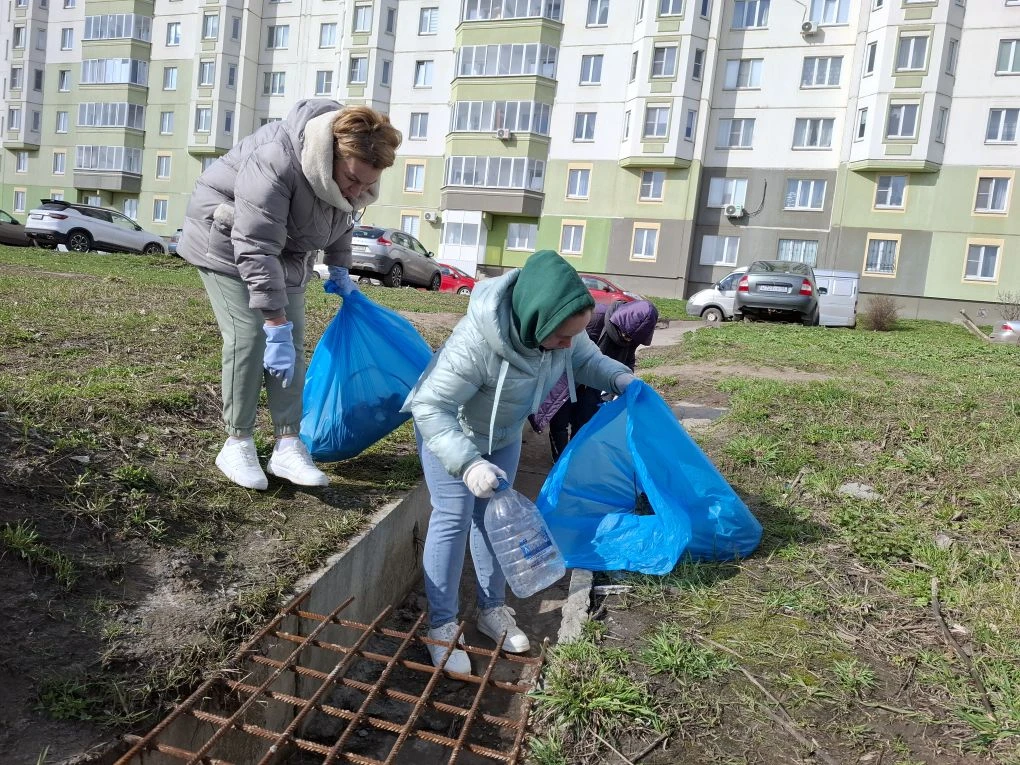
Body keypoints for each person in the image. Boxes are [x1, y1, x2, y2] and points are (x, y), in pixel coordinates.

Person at [404, 250, 635, 674]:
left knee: (497, 519)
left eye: (573, 335)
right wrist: (469, 465)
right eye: (562, 336)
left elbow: (586, 360)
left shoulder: (559, 332)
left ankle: (492, 609)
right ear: (535, 323)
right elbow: (430, 406)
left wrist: (620, 378)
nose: (569, 343)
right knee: (454, 518)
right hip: (451, 431)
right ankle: (441, 626)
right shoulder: (474, 343)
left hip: (502, 434)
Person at [178, 99, 401, 490]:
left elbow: (342, 213)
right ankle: (237, 441)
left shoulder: (353, 176)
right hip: (228, 240)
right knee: (251, 336)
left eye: (367, 185)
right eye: (353, 180)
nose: (358, 190)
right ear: (330, 156)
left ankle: (287, 444)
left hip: (286, 249)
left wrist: (339, 267)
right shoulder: (276, 160)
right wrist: (274, 322)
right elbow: (255, 244)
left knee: (292, 342)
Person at [532, 299, 659, 459]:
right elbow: (574, 352)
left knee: (584, 422)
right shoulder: (594, 318)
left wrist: (627, 381)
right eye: (625, 336)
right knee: (560, 421)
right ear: (619, 322)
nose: (627, 340)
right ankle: (559, 459)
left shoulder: (633, 334)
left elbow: (628, 359)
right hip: (566, 377)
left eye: (630, 339)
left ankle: (573, 458)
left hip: (596, 382)